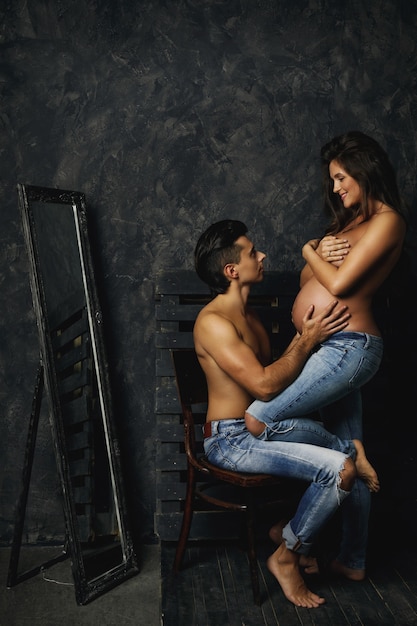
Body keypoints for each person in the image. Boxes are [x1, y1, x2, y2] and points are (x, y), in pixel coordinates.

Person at [244, 131, 407, 580]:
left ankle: (339, 465)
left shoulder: (387, 221)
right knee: (350, 452)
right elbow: (306, 280)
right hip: (325, 348)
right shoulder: (350, 222)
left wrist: (307, 249)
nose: (335, 188)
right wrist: (315, 251)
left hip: (348, 349)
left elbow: (337, 286)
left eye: (340, 177)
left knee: (260, 419)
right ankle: (352, 560)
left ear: (363, 170)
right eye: (332, 180)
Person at [193, 219, 378, 608]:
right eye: (251, 252)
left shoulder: (251, 318)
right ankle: (286, 557)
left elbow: (275, 380)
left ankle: (285, 532)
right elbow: (263, 386)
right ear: (232, 271)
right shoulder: (214, 322)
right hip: (230, 440)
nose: (262, 256)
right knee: (341, 469)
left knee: (341, 463)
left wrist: (308, 339)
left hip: (259, 429)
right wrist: (307, 340)